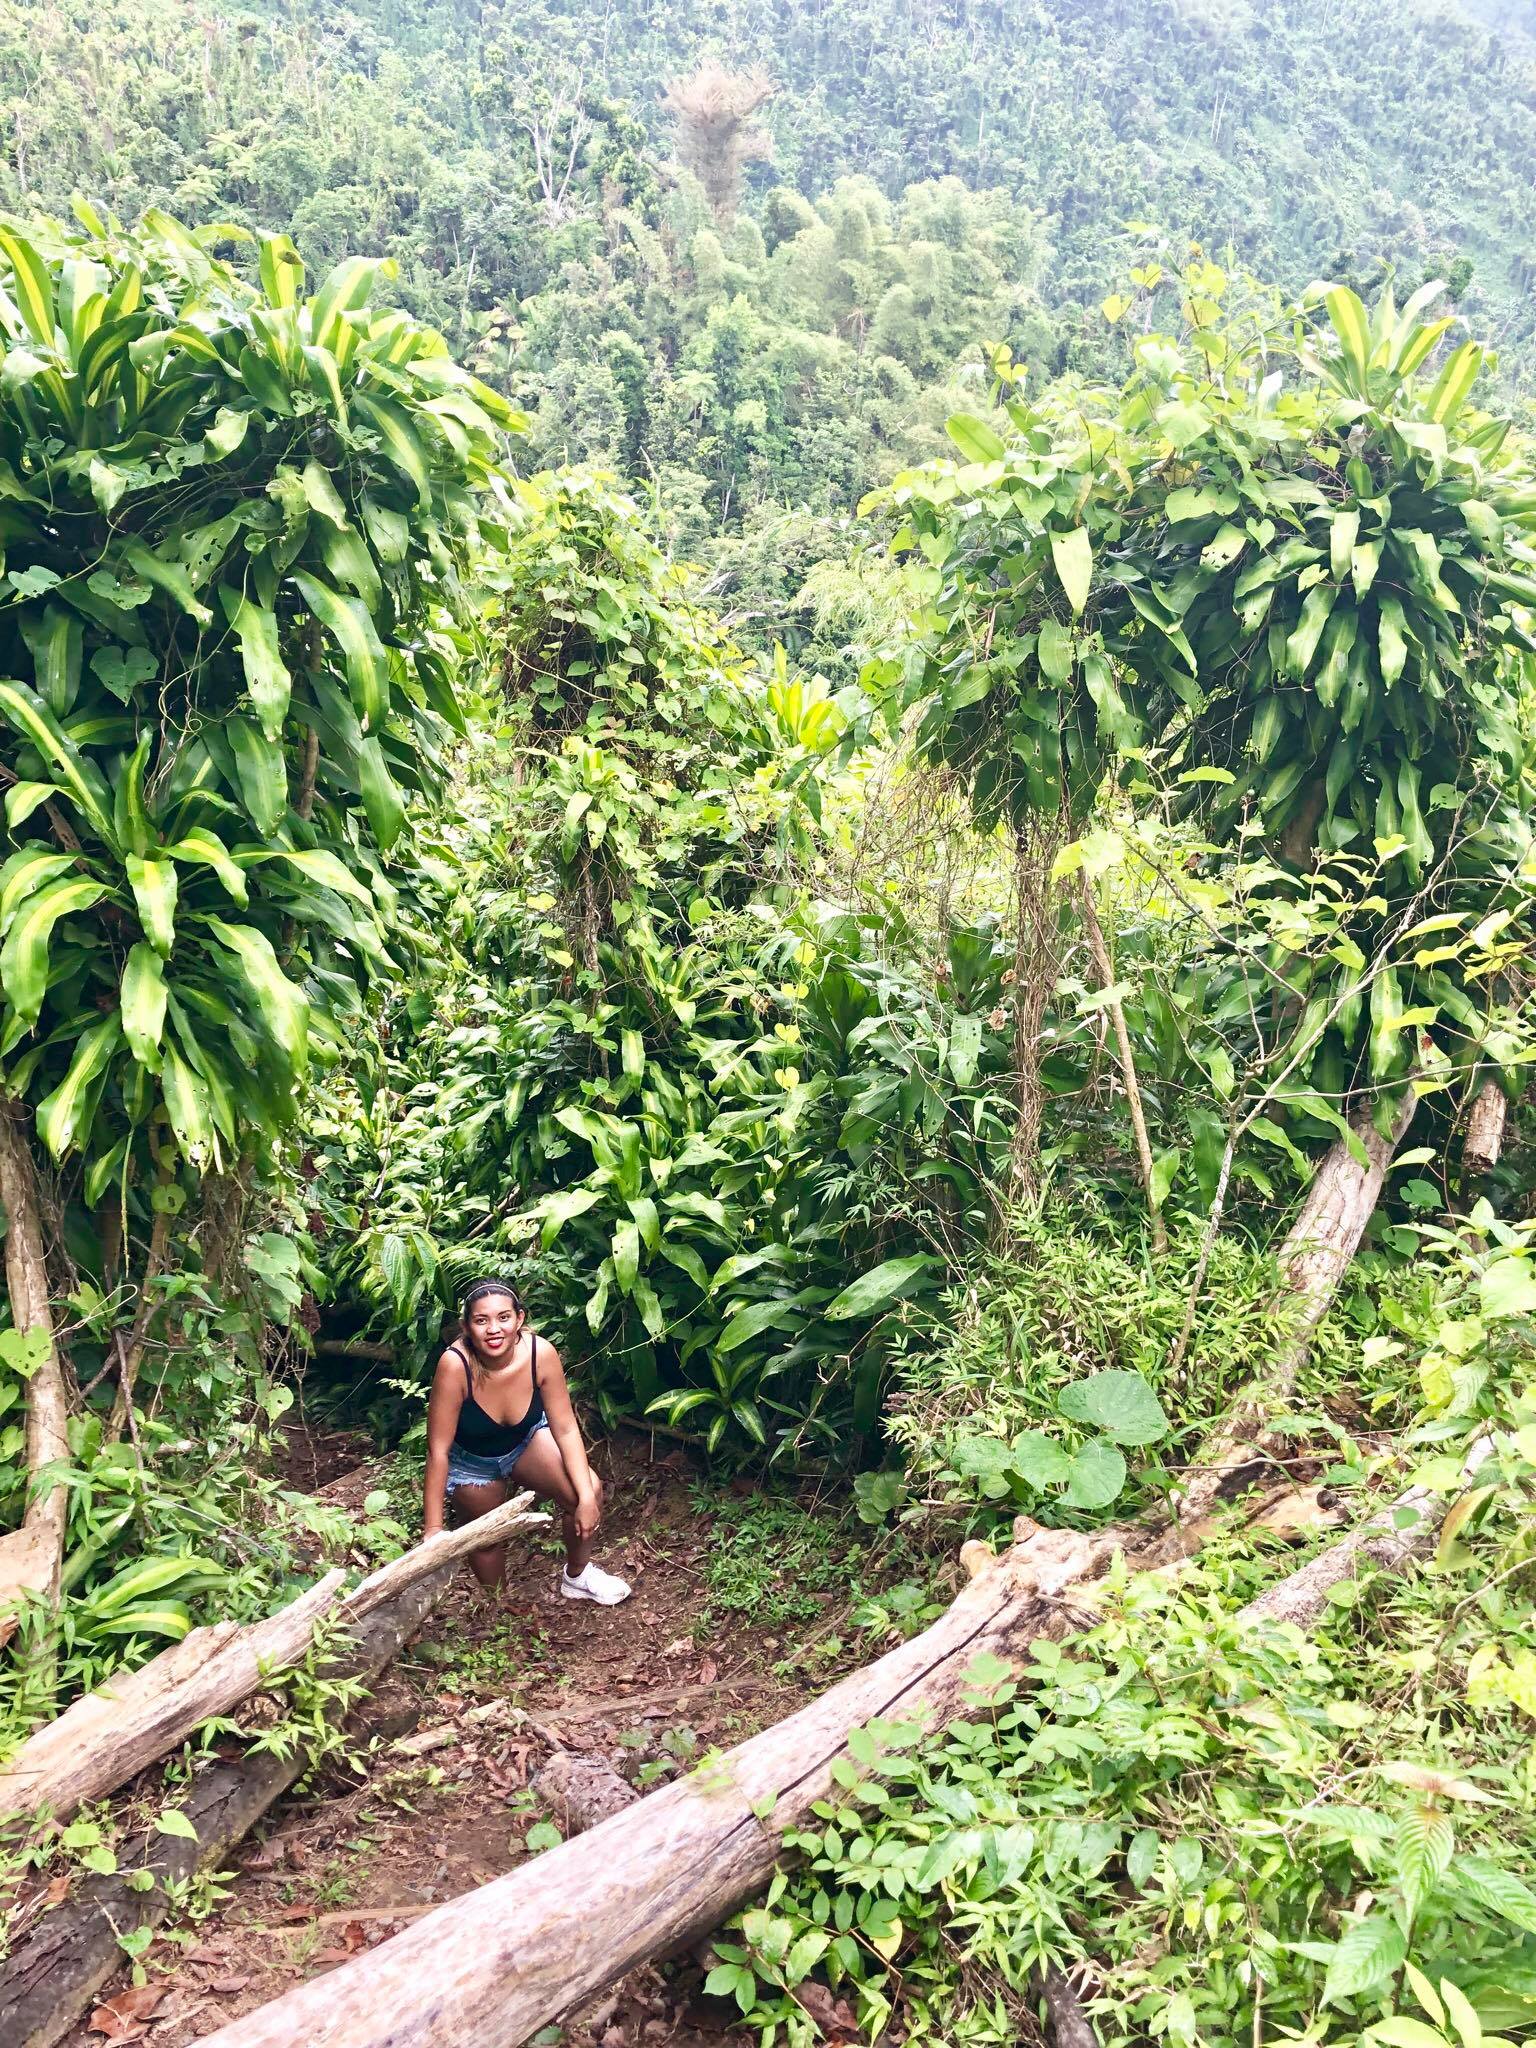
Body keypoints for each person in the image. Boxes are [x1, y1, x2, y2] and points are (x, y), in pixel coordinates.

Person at [422, 1277, 631, 1605]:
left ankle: (576, 1577)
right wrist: (433, 1529)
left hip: (526, 1440)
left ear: (519, 1319)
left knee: (585, 1491)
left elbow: (565, 1428)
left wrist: (587, 1500)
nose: (494, 1329)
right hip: (474, 1462)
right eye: (481, 1320)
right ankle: (501, 1606)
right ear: (466, 1326)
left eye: (503, 1318)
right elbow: (438, 1449)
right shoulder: (455, 1365)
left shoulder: (539, 1353)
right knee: (485, 1539)